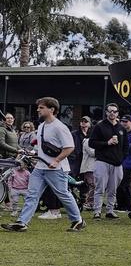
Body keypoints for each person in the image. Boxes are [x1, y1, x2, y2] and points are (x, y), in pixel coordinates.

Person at [1, 97, 85, 232]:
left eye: (41, 107)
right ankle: (22, 222)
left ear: (51, 109)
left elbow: (69, 147)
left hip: (56, 169)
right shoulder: (41, 126)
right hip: (40, 167)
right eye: (38, 107)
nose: (38, 110)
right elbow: (41, 148)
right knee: (32, 195)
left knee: (63, 194)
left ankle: (78, 220)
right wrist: (32, 152)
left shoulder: (60, 127)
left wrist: (56, 160)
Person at [89, 103, 128, 220]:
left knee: (113, 189)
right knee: (100, 188)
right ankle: (97, 211)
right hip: (102, 161)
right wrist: (107, 143)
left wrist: (122, 158)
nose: (112, 113)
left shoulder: (121, 128)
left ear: (117, 114)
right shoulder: (99, 126)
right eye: (110, 111)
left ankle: (110, 210)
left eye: (115, 111)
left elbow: (126, 146)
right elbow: (91, 143)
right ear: (106, 112)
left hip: (117, 163)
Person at [116, 115, 131, 212]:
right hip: (122, 161)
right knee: (120, 184)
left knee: (125, 185)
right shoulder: (121, 132)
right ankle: (121, 205)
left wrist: (122, 146)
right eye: (122, 121)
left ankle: (129, 207)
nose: (124, 123)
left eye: (126, 121)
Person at [80, 135, 96, 211]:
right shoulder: (87, 141)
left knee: (94, 186)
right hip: (88, 168)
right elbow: (92, 153)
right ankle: (88, 203)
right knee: (93, 185)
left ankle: (91, 202)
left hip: (95, 167)